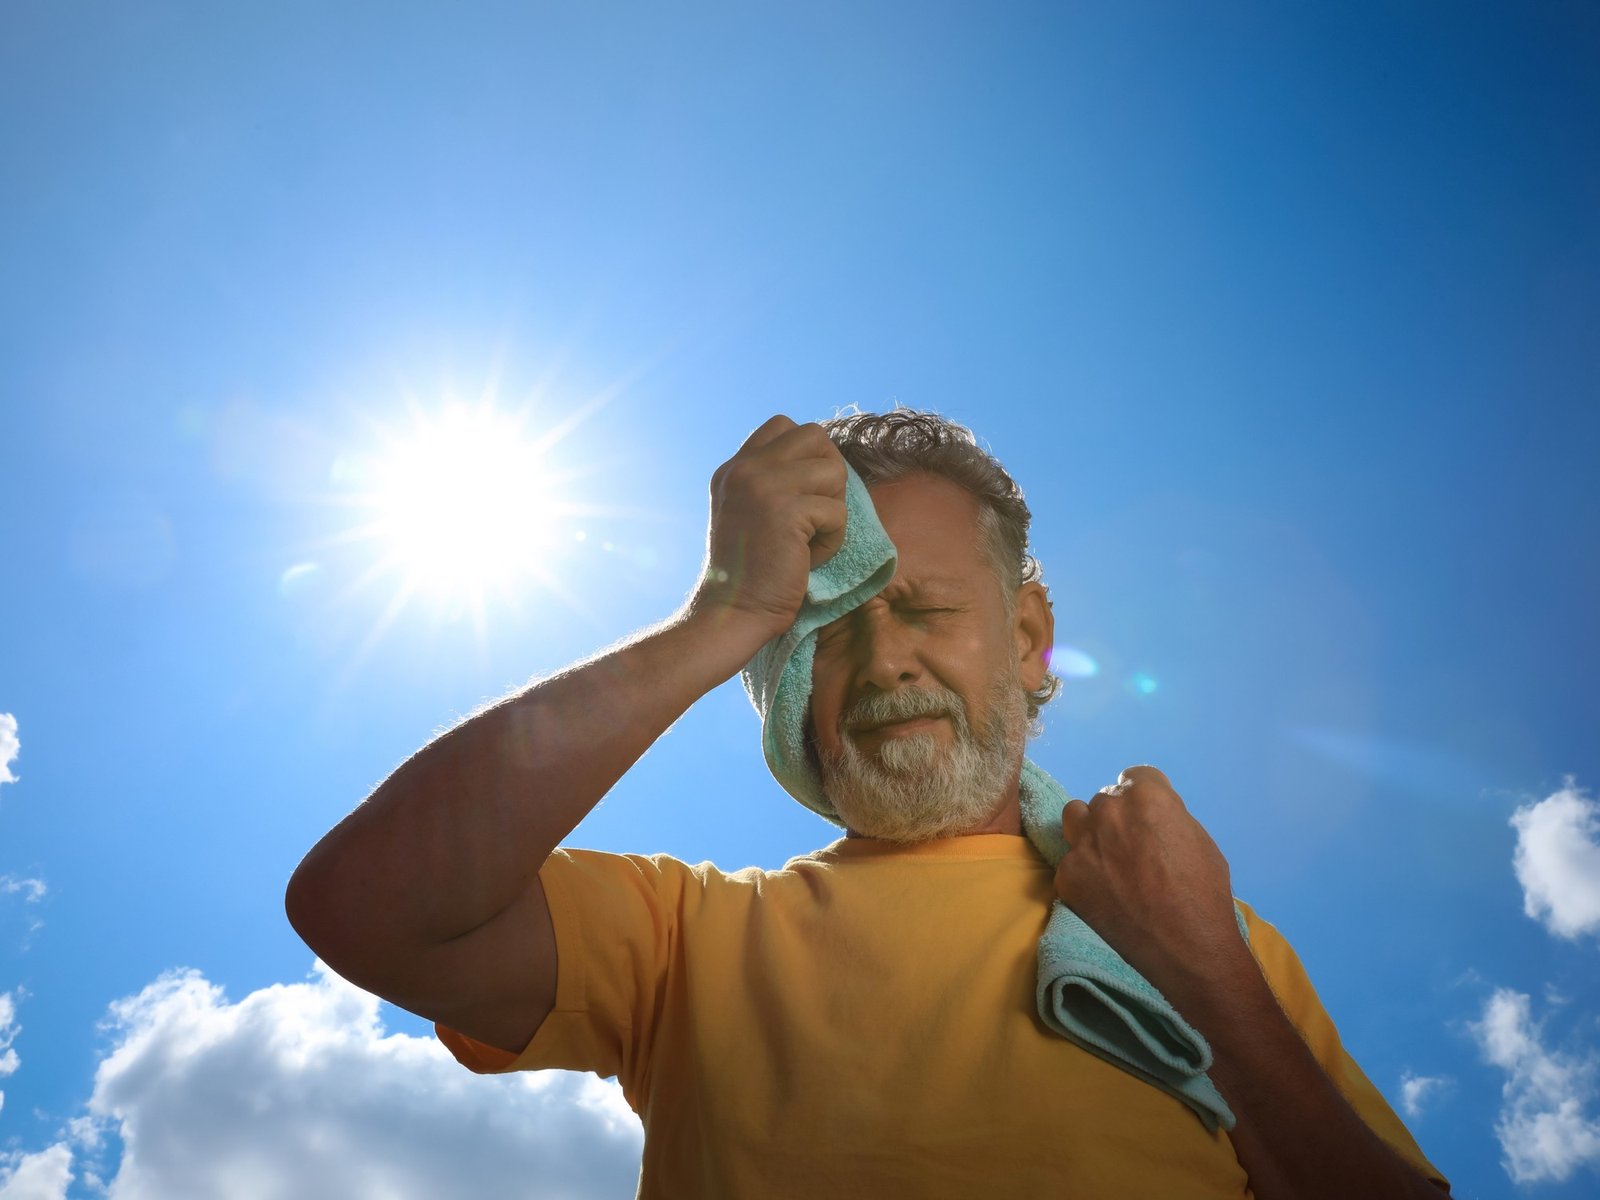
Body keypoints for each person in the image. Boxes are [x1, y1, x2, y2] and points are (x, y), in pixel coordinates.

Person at [287, 410, 1451, 1198]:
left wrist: (1205, 968)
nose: (886, 659)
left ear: (1029, 637)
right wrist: (722, 616)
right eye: (826, 632)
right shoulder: (684, 939)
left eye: (928, 608)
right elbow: (365, 909)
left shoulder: (1213, 939)